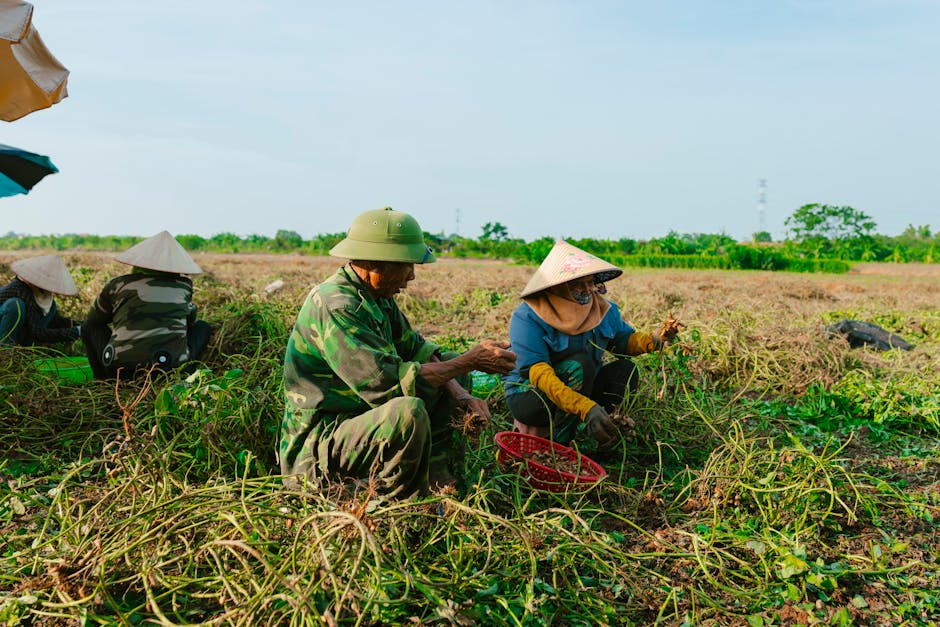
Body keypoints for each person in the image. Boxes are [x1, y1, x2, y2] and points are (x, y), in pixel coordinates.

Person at [280, 207, 517, 498]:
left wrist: (462, 394)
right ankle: (397, 500)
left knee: (450, 373)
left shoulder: (376, 296)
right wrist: (469, 361)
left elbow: (417, 349)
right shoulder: (338, 305)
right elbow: (385, 384)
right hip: (320, 446)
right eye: (406, 265)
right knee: (408, 414)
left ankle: (440, 481)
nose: (412, 275)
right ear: (374, 262)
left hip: (360, 423)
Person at [502, 240, 679, 450]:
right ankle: (559, 447)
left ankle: (604, 433)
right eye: (578, 284)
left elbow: (623, 342)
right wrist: (585, 407)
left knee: (625, 370)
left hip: (582, 387)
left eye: (590, 282)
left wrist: (654, 340)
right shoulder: (528, 316)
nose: (587, 290)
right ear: (558, 285)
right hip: (531, 396)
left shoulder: (602, 309)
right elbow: (539, 374)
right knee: (581, 364)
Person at [83, 231, 212, 380]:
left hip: (119, 371)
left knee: (89, 326)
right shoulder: (183, 286)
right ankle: (186, 375)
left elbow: (93, 320)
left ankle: (103, 379)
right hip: (168, 370)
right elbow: (190, 320)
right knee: (203, 327)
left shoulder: (118, 285)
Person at [0, 255, 81, 346]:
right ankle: (5, 346)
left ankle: (24, 347)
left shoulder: (43, 295)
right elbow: (38, 332)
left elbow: (55, 321)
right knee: (16, 305)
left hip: (22, 335)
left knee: (52, 307)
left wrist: (83, 326)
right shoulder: (20, 289)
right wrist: (76, 332)